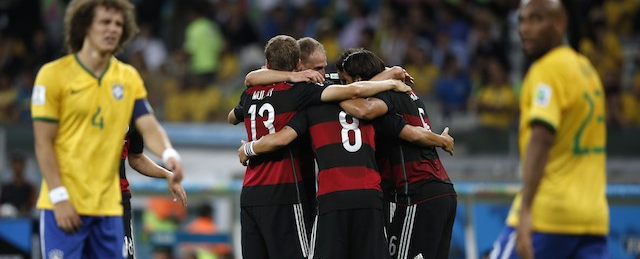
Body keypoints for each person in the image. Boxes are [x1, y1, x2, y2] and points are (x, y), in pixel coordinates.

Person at [31, 0, 184, 258]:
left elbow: (148, 126)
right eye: (104, 22)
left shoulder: (128, 78)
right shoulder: (53, 75)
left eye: (118, 24)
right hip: (64, 204)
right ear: (84, 26)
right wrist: (58, 196)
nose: (112, 29)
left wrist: (169, 155)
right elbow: (43, 143)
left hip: (110, 209)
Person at [230, 35, 409, 259]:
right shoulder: (306, 92)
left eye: (325, 67)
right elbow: (355, 90)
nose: (324, 74)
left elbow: (236, 108)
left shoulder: (254, 92)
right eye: (318, 68)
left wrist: (249, 148)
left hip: (258, 191)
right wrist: (391, 79)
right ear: (299, 66)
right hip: (291, 193)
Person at [490, 0, 608, 259]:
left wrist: (526, 210)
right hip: (592, 217)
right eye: (522, 20)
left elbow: (542, 136)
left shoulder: (546, 70)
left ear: (560, 22)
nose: (525, 29)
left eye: (536, 19)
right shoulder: (586, 69)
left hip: (548, 214)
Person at [336, 49, 457, 259]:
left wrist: (329, 96)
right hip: (440, 190)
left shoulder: (384, 96)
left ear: (357, 79)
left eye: (344, 81)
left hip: (416, 193)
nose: (344, 87)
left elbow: (368, 112)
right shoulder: (409, 94)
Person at [121, 124, 187, 259]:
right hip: (84, 199)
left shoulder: (132, 113)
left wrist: (168, 171)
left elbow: (137, 158)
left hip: (119, 203)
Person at [0, 151, 36, 217]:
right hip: (7, 221)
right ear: (11, 165)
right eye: (15, 163)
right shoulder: (5, 187)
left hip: (25, 221)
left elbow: (33, 205)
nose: (17, 166)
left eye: (20, 163)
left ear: (24, 165)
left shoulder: (29, 187)